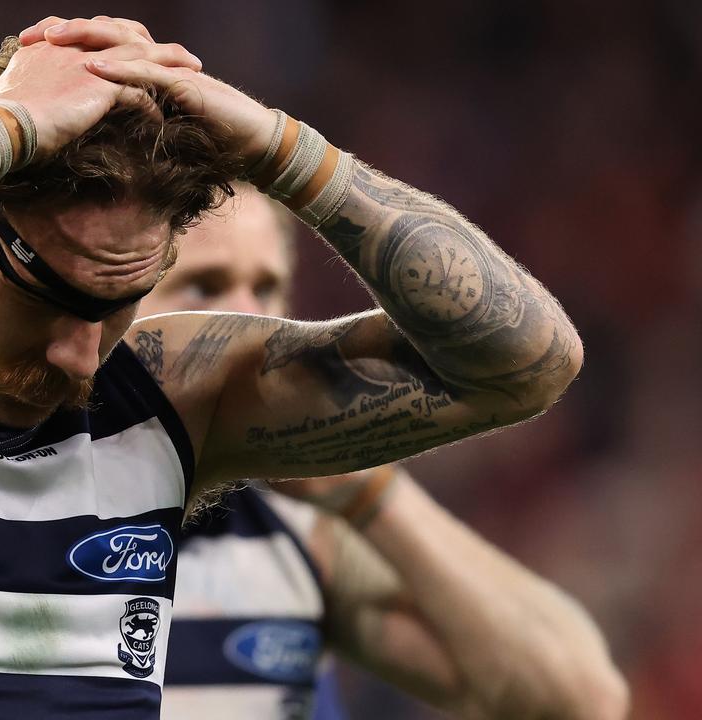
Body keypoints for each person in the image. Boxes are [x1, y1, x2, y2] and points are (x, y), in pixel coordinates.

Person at [0, 16, 587, 719]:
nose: (83, 354)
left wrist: (282, 151)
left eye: (120, 302)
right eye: (51, 295)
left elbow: (524, 362)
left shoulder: (170, 395)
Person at [146, 185, 628, 719]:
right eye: (203, 287)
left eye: (266, 290)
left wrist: (366, 490)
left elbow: (579, 699)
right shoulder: (49, 497)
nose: (252, 325)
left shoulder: (303, 529)